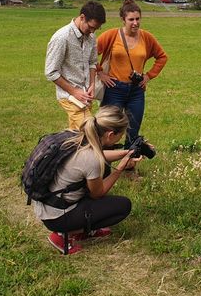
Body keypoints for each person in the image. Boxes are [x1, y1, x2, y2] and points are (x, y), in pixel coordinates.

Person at [33, 105, 140, 255]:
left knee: (104, 169)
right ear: (110, 135)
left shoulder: (76, 136)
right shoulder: (90, 159)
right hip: (58, 217)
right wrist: (120, 168)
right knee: (123, 206)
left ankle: (81, 228)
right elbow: (98, 193)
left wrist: (127, 153)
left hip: (48, 205)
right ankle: (63, 235)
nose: (121, 138)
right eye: (120, 135)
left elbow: (98, 154)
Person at [96, 0, 168, 147]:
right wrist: (100, 72)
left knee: (133, 131)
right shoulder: (111, 35)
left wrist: (148, 76)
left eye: (138, 19)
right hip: (114, 88)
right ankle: (104, 167)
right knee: (108, 129)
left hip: (136, 91)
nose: (135, 23)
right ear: (123, 20)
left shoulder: (146, 37)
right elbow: (90, 54)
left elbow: (162, 57)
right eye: (131, 20)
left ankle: (129, 167)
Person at [45, 1, 107, 130]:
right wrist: (74, 91)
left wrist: (92, 85)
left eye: (96, 28)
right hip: (70, 98)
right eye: (90, 27)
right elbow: (51, 72)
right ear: (82, 17)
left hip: (86, 97)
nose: (92, 31)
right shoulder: (61, 38)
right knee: (92, 133)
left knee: (76, 137)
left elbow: (92, 62)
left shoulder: (91, 36)